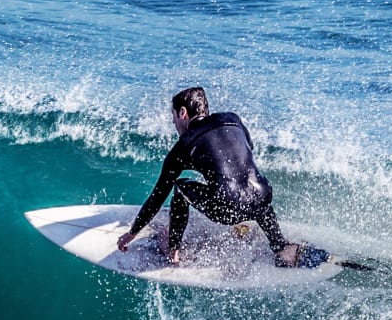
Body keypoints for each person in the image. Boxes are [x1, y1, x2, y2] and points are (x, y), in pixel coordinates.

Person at [117, 86, 315, 267]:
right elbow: (248, 149)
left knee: (180, 188)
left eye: (174, 115)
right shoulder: (233, 119)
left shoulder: (183, 145)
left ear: (183, 113)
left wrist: (132, 233)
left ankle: (172, 250)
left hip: (227, 208)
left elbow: (158, 197)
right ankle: (281, 247)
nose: (173, 122)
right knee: (247, 184)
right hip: (262, 198)